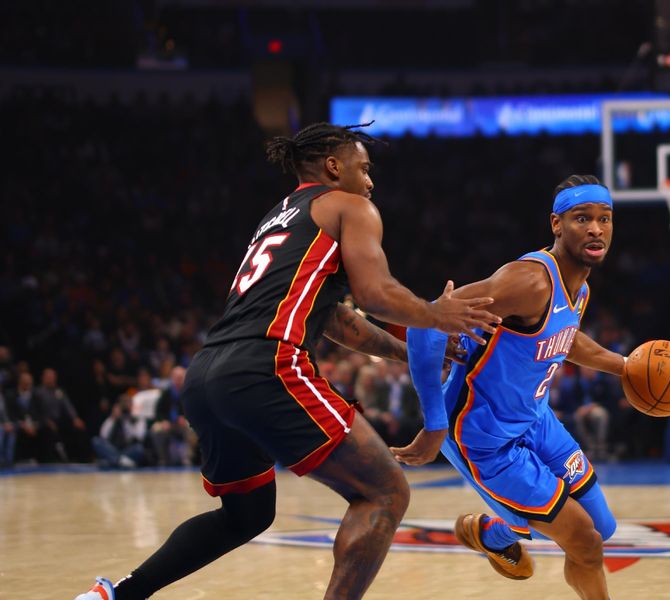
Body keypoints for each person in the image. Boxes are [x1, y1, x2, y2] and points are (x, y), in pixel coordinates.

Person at [74, 122, 499, 600]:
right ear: (334, 167)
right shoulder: (351, 206)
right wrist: (435, 316)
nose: (371, 181)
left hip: (207, 374)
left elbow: (335, 320)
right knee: (386, 491)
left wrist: (406, 351)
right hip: (267, 366)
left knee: (246, 516)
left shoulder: (279, 217)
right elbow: (375, 293)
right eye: (365, 167)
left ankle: (116, 595)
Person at [393, 175, 624, 600]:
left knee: (603, 528)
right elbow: (425, 323)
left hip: (536, 420)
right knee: (585, 541)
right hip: (483, 437)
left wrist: (624, 367)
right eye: (582, 218)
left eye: (604, 219)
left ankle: (492, 533)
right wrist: (434, 422)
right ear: (556, 225)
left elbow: (563, 337)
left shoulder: (581, 288)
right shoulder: (528, 282)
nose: (596, 229)